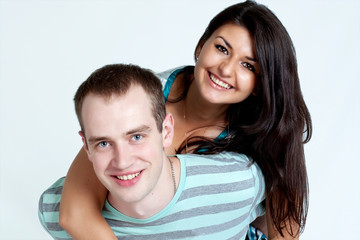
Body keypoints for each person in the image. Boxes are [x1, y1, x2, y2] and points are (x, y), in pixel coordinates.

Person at [56, 1, 312, 239]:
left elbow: (284, 223)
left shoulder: (266, 129)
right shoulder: (140, 101)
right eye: (222, 49)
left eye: (248, 66)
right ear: (201, 46)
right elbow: (75, 213)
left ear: (259, 84)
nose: (226, 69)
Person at [39, 64, 265, 239]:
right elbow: (72, 215)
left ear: (166, 131)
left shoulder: (240, 180)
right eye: (104, 143)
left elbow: (285, 208)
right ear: (86, 147)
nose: (123, 161)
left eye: (136, 137)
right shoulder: (54, 213)